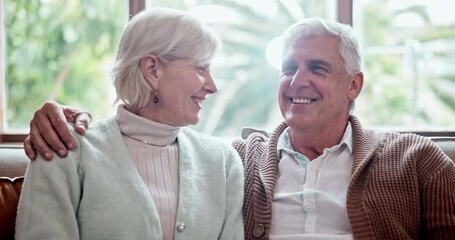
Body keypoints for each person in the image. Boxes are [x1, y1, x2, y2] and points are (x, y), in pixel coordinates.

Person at [24, 18, 455, 239]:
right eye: (288, 69)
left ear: (354, 85)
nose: (296, 81)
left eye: (317, 68)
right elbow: (130, 133)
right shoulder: (240, 158)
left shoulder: (417, 160)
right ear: (152, 69)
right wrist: (61, 115)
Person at [16, 8, 244, 240]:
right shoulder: (65, 147)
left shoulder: (223, 162)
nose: (213, 86)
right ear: (152, 70)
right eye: (201, 68)